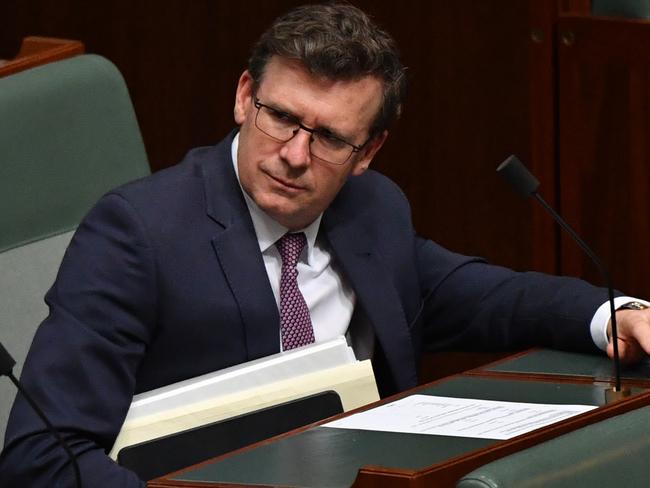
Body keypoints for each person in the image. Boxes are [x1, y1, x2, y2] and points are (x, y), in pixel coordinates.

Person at [2, 3, 650, 487]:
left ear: (368, 152)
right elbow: (43, 456)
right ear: (244, 97)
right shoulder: (136, 235)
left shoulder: (373, 208)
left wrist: (610, 315)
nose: (293, 155)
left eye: (330, 138)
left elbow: (464, 292)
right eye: (280, 116)